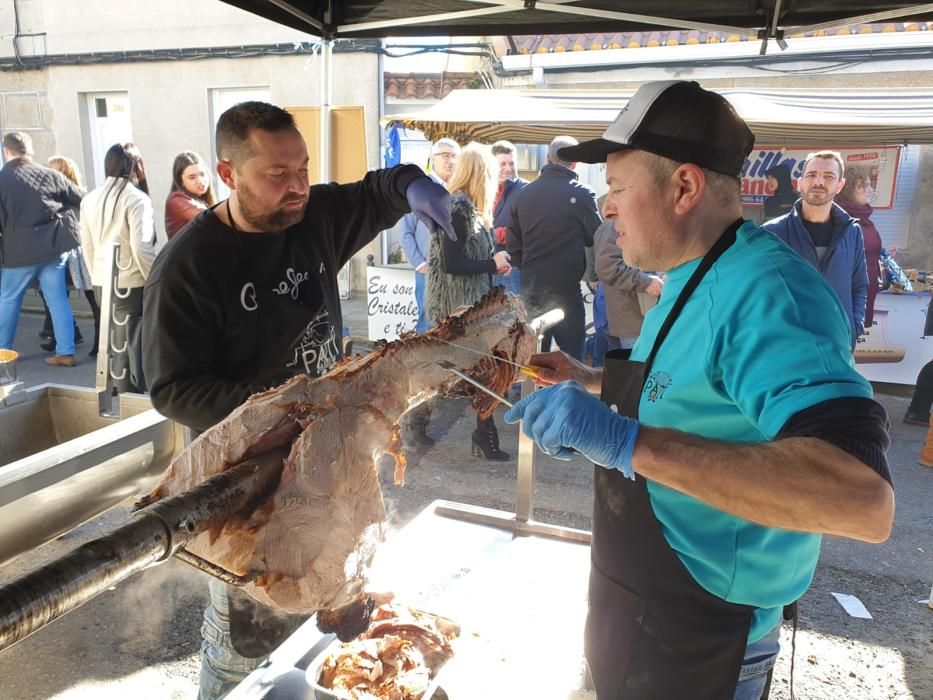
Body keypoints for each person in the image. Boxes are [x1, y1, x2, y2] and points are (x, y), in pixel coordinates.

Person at [503, 80, 894, 700]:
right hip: (638, 600)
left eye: (617, 190)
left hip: (705, 636)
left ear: (684, 186)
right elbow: (694, 382)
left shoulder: (769, 292)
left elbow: (860, 500)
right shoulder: (692, 268)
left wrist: (625, 442)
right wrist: (593, 382)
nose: (605, 208)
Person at [141, 101, 451, 700]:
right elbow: (174, 388)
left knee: (331, 609)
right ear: (228, 176)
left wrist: (414, 185)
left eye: (303, 168)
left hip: (333, 464)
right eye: (277, 175)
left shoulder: (309, 216)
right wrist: (295, 406)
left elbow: (377, 191)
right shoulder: (189, 267)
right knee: (246, 646)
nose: (297, 188)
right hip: (248, 488)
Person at [426, 144, 512, 461]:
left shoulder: (467, 208)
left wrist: (494, 261)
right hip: (456, 308)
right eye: (492, 174)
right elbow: (452, 263)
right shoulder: (459, 208)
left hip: (469, 306)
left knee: (461, 371)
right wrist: (493, 264)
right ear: (482, 175)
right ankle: (480, 435)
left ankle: (479, 434)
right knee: (466, 371)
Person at [507, 135, 601, 360]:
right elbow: (595, 236)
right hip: (566, 289)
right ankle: (567, 395)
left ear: (548, 158)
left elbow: (513, 245)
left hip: (531, 288)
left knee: (530, 359)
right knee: (572, 359)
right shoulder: (581, 193)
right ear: (575, 163)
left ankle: (530, 395)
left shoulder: (523, 194)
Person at [763, 151, 869, 349]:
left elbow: (859, 285)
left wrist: (854, 328)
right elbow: (758, 291)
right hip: (786, 349)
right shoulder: (771, 233)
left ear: (840, 185)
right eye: (811, 175)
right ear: (800, 182)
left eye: (828, 177)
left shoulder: (852, 232)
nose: (818, 182)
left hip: (838, 347)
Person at [0, 132, 82, 367]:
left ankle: (3, 354)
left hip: (18, 252)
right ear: (30, 150)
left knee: (8, 299)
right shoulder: (50, 175)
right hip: (53, 248)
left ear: (7, 152)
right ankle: (65, 353)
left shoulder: (2, 179)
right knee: (57, 301)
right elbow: (81, 199)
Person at [80, 143, 156, 392]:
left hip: (103, 279)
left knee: (115, 345)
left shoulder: (90, 198)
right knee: (134, 345)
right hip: (132, 282)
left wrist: (96, 277)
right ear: (136, 165)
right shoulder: (136, 198)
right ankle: (133, 403)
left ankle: (122, 398)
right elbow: (141, 247)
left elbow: (87, 246)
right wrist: (155, 280)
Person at [399, 138, 459, 334]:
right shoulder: (421, 188)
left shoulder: (458, 189)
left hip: (454, 272)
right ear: (433, 159)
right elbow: (405, 232)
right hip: (428, 272)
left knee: (451, 324)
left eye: (454, 156)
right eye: (446, 155)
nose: (451, 160)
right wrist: (419, 264)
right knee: (427, 324)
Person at [43, 155, 102, 357]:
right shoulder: (55, 198)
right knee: (52, 295)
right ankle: (61, 334)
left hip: (81, 253)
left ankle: (99, 342)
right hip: (65, 253)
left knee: (93, 299)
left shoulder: (81, 198)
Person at [593, 218, 663, 351]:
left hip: (644, 315)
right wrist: (645, 282)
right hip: (633, 318)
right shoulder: (614, 224)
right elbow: (606, 267)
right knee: (639, 366)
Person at [836, 164, 883, 332]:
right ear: (847, 189)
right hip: (846, 298)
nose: (868, 189)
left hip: (865, 294)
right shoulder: (840, 217)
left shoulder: (865, 218)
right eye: (862, 186)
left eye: (869, 185)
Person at [490, 140, 528, 295]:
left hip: (512, 267)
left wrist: (493, 234)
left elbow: (528, 228)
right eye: (503, 164)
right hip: (484, 266)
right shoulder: (485, 187)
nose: (508, 168)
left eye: (511, 163)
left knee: (511, 317)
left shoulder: (526, 189)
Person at [165, 151, 217, 238]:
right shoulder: (176, 199)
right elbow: (212, 218)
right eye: (192, 177)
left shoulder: (201, 198)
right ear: (181, 181)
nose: (200, 181)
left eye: (202, 174)